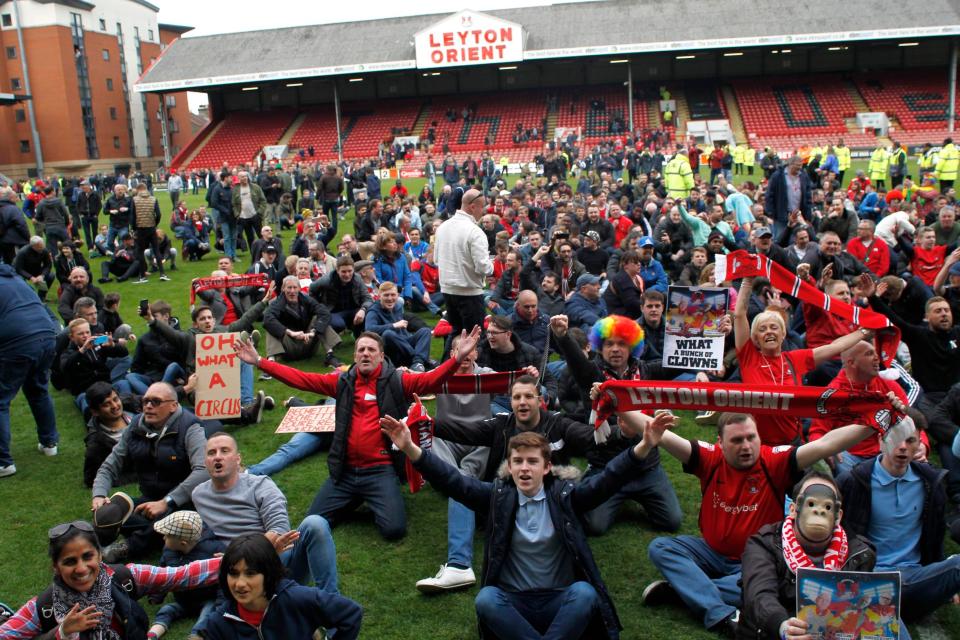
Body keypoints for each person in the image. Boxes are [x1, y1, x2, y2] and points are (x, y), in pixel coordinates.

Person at [384, 415, 678, 639]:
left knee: (585, 594)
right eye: (518, 461)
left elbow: (607, 479)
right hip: (513, 602)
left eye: (532, 462)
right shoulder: (498, 497)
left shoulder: (565, 497)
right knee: (486, 599)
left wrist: (643, 445)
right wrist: (410, 447)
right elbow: (454, 481)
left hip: (560, 599)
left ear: (546, 467)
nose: (525, 468)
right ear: (509, 467)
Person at [232, 326, 482, 541]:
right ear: (354, 355)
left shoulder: (398, 381)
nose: (365, 353)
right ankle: (354, 498)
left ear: (381, 356)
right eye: (361, 349)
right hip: (346, 471)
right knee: (312, 523)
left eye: (371, 350)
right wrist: (260, 362)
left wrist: (456, 358)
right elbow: (302, 379)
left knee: (394, 530)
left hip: (380, 471)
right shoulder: (341, 382)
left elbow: (430, 381)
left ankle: (361, 499)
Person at [642, 412, 878, 634]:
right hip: (710, 552)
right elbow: (656, 432)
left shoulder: (775, 461)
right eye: (736, 440)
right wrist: (615, 401)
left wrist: (879, 420)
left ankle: (688, 593)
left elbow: (827, 444)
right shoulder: (709, 457)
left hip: (755, 563)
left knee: (752, 590)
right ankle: (715, 606)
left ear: (759, 437)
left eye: (751, 437)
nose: (746, 446)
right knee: (661, 548)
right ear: (720, 443)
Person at [738, 471, 901, 640]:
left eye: (827, 506)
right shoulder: (764, 544)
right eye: (811, 502)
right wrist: (781, 625)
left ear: (838, 516)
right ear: (793, 509)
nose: (819, 511)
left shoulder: (860, 553)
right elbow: (759, 594)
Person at [0, 521, 221, 640]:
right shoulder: (44, 607)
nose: (81, 569)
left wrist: (232, 561)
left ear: (99, 555)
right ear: (55, 567)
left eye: (88, 557)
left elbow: (182, 575)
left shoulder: (125, 577)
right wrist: (62, 633)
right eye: (69, 561)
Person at [838, 418, 960, 624]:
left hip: (915, 578)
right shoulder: (853, 481)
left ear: (919, 445)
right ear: (880, 442)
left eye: (910, 440)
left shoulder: (931, 482)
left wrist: (943, 578)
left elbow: (936, 537)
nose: (902, 447)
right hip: (870, 580)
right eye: (895, 440)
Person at [192, 433, 339, 594]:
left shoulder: (261, 485)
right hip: (237, 574)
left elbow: (279, 529)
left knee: (315, 523)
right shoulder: (199, 495)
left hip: (275, 559)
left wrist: (240, 555)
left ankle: (329, 599)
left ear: (237, 459)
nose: (217, 457)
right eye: (211, 453)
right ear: (205, 461)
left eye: (224, 451)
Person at [734, 276, 872, 445]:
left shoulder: (795, 359)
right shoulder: (749, 357)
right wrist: (748, 280)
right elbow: (739, 314)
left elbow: (835, 347)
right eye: (762, 329)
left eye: (774, 327)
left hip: (792, 444)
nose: (769, 332)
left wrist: (865, 331)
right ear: (755, 338)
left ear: (783, 334)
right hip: (758, 445)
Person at [91, 382, 209, 562]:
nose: (148, 406)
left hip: (184, 502)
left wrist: (166, 501)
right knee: (111, 512)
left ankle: (128, 547)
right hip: (149, 500)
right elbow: (109, 466)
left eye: (156, 401)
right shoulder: (135, 426)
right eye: (146, 401)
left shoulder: (190, 427)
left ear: (173, 406)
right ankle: (96, 538)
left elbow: (202, 471)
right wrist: (98, 496)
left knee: (172, 522)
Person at [203, 533, 362, 640]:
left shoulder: (297, 598)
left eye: (250, 573)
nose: (240, 583)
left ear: (268, 573)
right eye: (234, 573)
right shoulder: (220, 621)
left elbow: (351, 613)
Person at [0, 261, 59, 478]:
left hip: (18, 341)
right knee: (38, 390)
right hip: (46, 336)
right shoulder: (16, 279)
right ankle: (49, 443)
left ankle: (3, 462)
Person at [147, 510, 224, 640]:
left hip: (207, 598)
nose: (163, 538)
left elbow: (225, 575)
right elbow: (163, 573)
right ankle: (153, 633)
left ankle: (197, 635)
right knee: (167, 610)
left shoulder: (214, 551)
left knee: (208, 614)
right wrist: (156, 595)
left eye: (167, 535)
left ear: (183, 543)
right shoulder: (169, 551)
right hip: (183, 601)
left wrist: (221, 602)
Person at [434, 188, 493, 352]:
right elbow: (484, 268)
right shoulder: (475, 231)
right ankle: (473, 373)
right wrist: (491, 265)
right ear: (473, 207)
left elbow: (436, 260)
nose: (483, 212)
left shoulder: (442, 227)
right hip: (469, 293)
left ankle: (445, 371)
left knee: (456, 333)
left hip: (448, 291)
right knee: (475, 338)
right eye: (482, 207)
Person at [263, 275, 339, 365]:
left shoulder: (307, 299)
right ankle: (271, 363)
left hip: (307, 343)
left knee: (318, 319)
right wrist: (291, 333)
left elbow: (325, 313)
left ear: (299, 288)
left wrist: (313, 332)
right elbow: (267, 319)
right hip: (289, 349)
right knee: (271, 325)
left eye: (295, 287)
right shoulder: (276, 303)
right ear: (283, 289)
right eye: (289, 288)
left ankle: (330, 355)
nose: (292, 291)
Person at [365, 281, 432, 371]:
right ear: (379, 295)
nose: (390, 298)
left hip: (405, 343)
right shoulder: (374, 311)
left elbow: (404, 332)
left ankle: (418, 363)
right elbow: (369, 329)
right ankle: (421, 360)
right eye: (386, 295)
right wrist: (393, 325)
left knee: (425, 331)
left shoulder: (397, 307)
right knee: (388, 334)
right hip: (391, 350)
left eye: (393, 295)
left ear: (397, 295)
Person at [82, 382, 133, 488]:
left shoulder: (130, 404)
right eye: (106, 404)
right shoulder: (97, 444)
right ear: (95, 412)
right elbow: (91, 479)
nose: (115, 406)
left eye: (115, 399)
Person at [310, 255, 373, 339]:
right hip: (333, 312)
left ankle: (358, 334)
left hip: (353, 310)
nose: (347, 275)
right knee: (338, 324)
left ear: (353, 270)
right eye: (343, 272)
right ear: (337, 270)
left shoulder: (357, 279)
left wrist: (363, 310)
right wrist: (319, 307)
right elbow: (311, 290)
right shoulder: (327, 280)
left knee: (370, 312)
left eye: (350, 271)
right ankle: (333, 338)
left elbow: (367, 298)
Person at [764, 155, 812, 238]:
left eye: (800, 165)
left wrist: (808, 214)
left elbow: (808, 196)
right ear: (790, 164)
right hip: (781, 215)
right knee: (781, 238)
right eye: (797, 165)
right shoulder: (778, 176)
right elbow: (770, 195)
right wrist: (771, 212)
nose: (799, 168)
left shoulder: (803, 176)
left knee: (798, 238)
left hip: (799, 215)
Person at [130, 184, 167, 283]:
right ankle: (162, 273)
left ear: (138, 190)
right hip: (151, 227)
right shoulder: (153, 199)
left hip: (140, 228)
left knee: (140, 251)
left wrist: (134, 228)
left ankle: (142, 276)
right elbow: (158, 214)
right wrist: (155, 223)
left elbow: (132, 216)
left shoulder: (134, 199)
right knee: (156, 250)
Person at [232, 171, 266, 253]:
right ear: (238, 178)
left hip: (255, 215)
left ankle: (266, 251)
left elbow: (263, 201)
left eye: (246, 176)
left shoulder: (255, 187)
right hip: (243, 217)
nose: (244, 178)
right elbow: (233, 204)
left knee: (261, 235)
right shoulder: (235, 189)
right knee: (250, 237)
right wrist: (237, 214)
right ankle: (254, 254)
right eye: (242, 177)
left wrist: (259, 213)